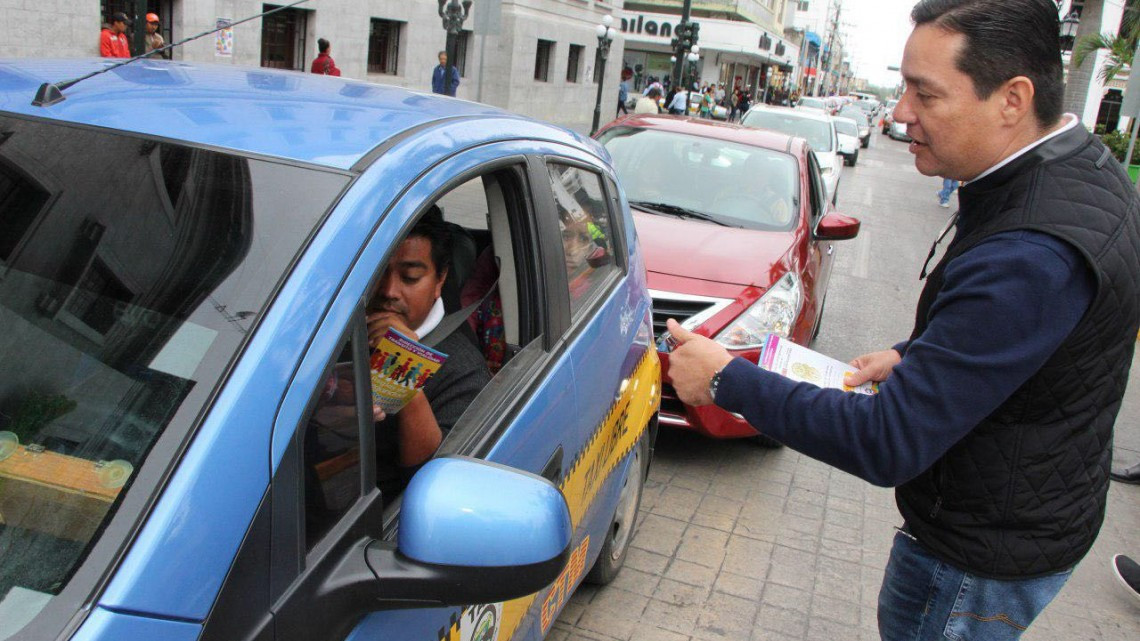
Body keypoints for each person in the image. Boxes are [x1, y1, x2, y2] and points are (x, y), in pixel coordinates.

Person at [664, 1, 1140, 639]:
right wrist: (919, 353)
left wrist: (727, 380)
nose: (898, 113)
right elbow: (1034, 338)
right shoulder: (1080, 171)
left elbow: (887, 441)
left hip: (974, 562)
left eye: (925, 93)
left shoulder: (1030, 250)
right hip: (1031, 513)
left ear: (1012, 99)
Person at [365, 209, 490, 501]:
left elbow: (434, 485)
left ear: (439, 280)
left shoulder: (464, 370)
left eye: (409, 277)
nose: (389, 290)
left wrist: (404, 369)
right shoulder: (333, 327)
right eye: (377, 272)